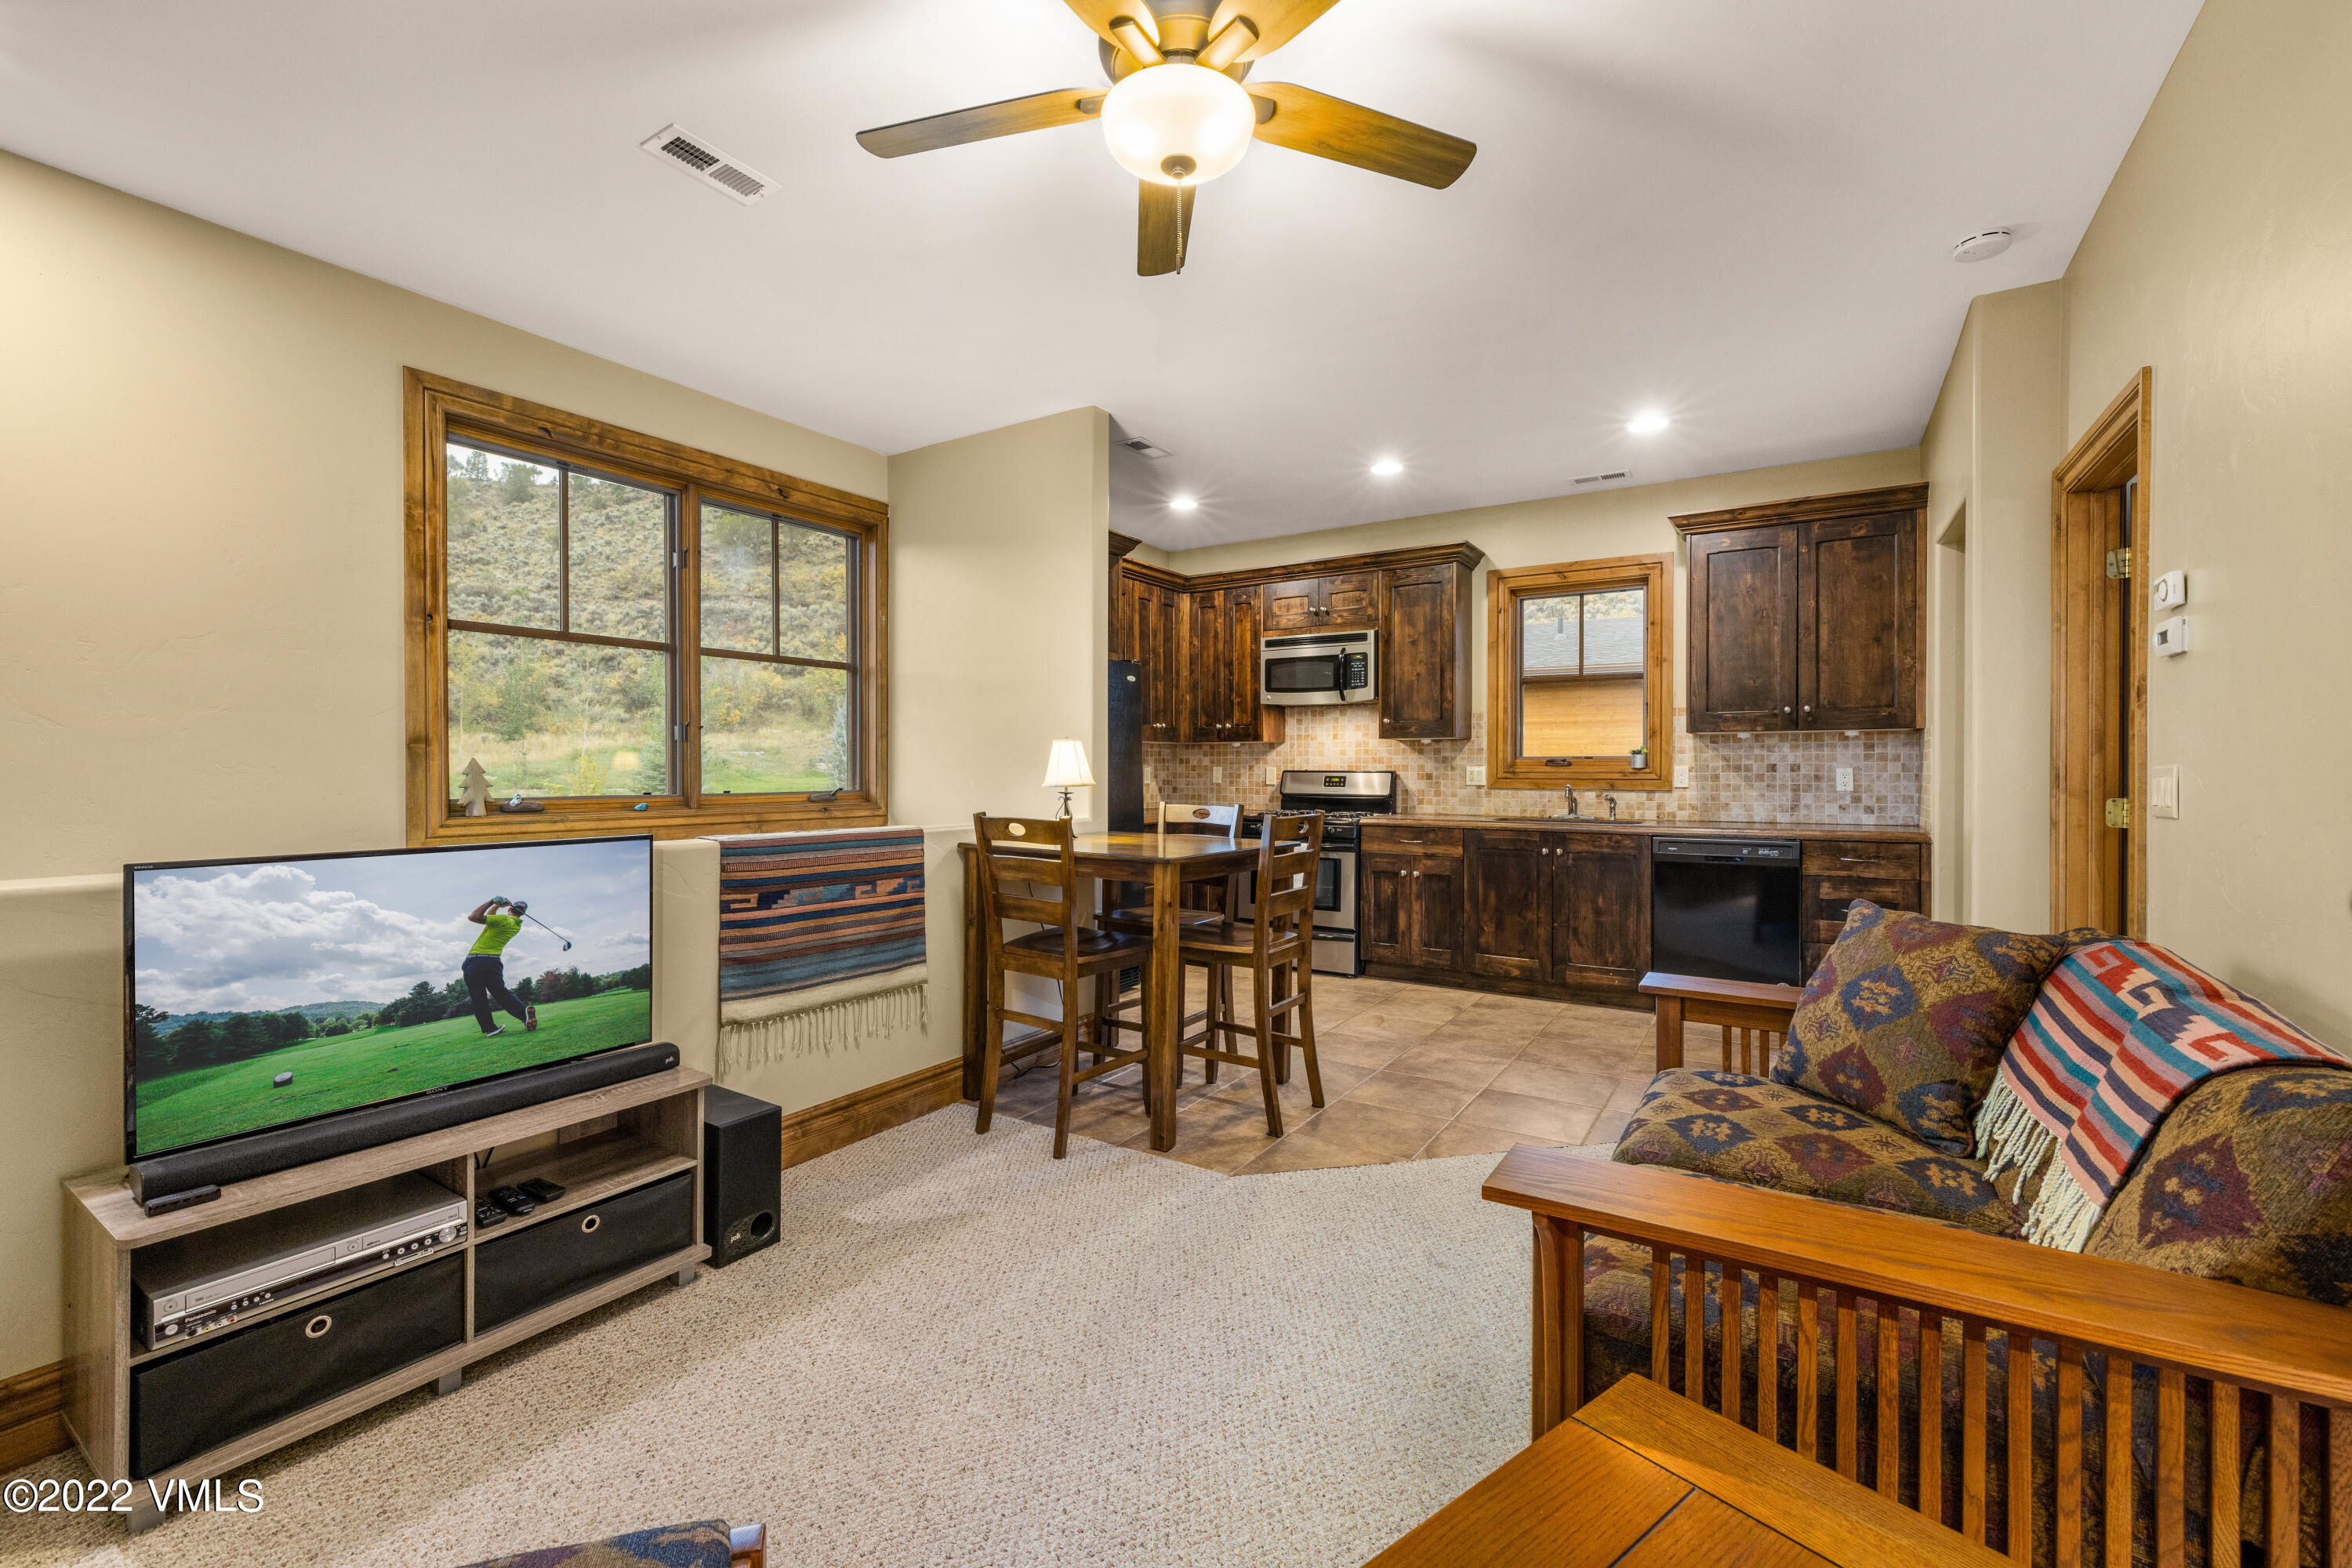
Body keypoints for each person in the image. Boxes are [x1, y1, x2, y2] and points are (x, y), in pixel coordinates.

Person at [462, 896, 539, 1037]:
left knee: (478, 997)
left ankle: (490, 1028)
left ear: (509, 909)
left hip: (476, 961)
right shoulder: (516, 925)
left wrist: (492, 902)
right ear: (522, 914)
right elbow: (490, 918)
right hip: (494, 963)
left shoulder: (503, 920)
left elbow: (473, 917)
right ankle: (524, 1015)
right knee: (501, 993)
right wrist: (496, 907)